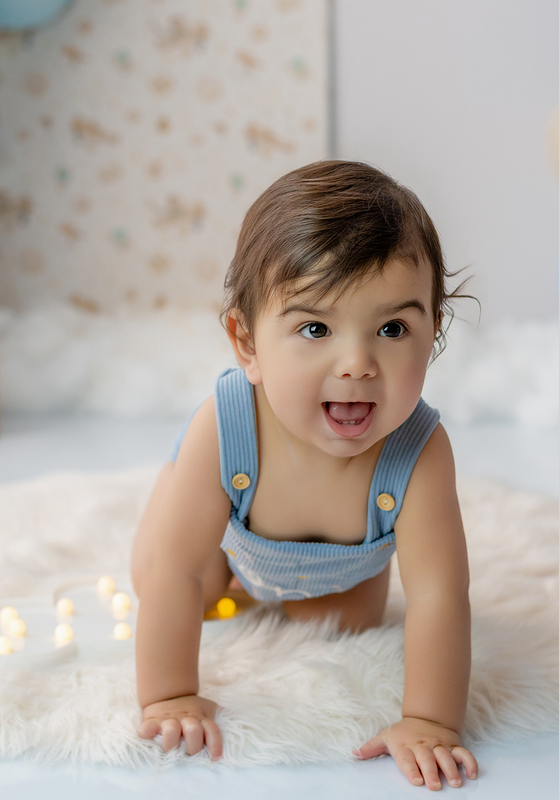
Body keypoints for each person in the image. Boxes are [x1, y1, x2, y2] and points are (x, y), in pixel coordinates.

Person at [130, 160, 478, 791]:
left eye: (393, 328)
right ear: (246, 343)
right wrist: (170, 696)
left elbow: (437, 596)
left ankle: (293, 594)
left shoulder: (419, 452)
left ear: (433, 334)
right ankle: (175, 489)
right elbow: (174, 572)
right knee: (170, 577)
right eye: (315, 328)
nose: (356, 363)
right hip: (229, 539)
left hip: (339, 572)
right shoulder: (227, 425)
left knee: (343, 634)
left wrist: (429, 720)